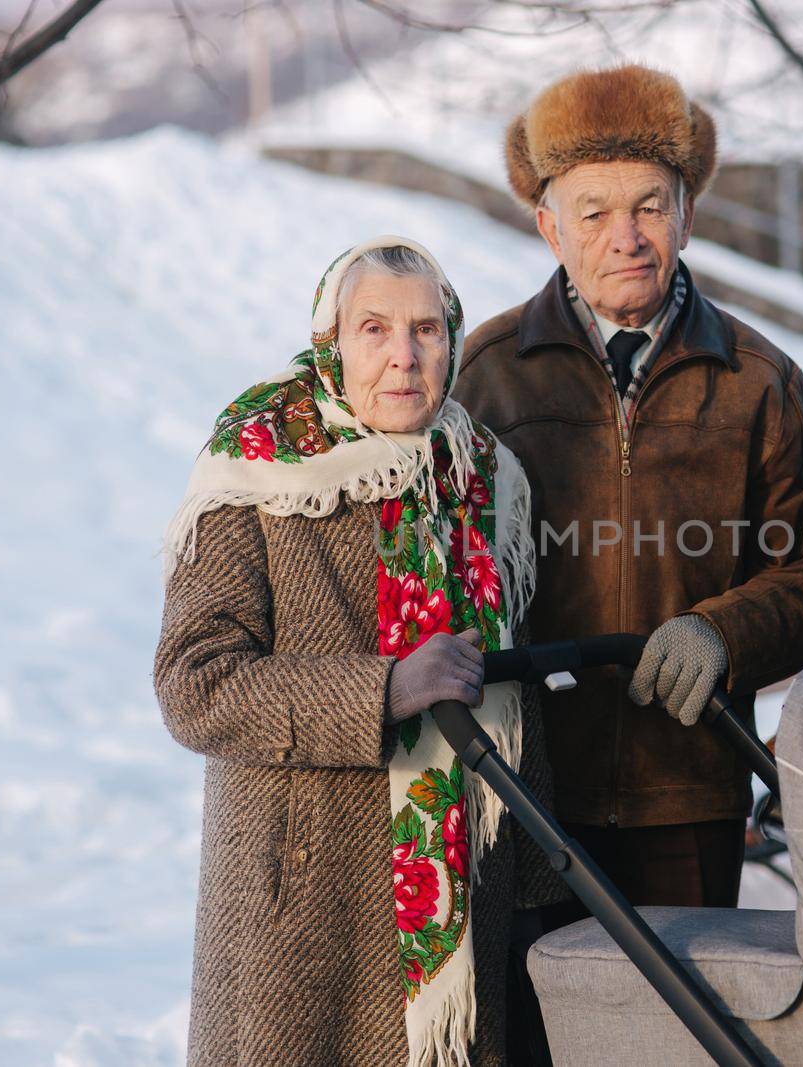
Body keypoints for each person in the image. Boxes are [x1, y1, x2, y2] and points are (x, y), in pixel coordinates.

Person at [153, 237, 564, 1067]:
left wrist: (537, 896)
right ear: (331, 342)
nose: (403, 357)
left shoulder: (487, 474)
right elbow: (195, 681)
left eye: (426, 330)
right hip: (303, 905)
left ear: (452, 338)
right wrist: (385, 687)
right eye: (374, 329)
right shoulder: (256, 462)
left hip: (461, 907)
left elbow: (513, 690)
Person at [454, 65, 803, 915]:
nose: (625, 236)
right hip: (528, 789)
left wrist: (720, 632)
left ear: (688, 216)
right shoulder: (486, 376)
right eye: (594, 212)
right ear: (551, 228)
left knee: (677, 1036)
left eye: (650, 206)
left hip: (690, 790)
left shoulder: (759, 379)